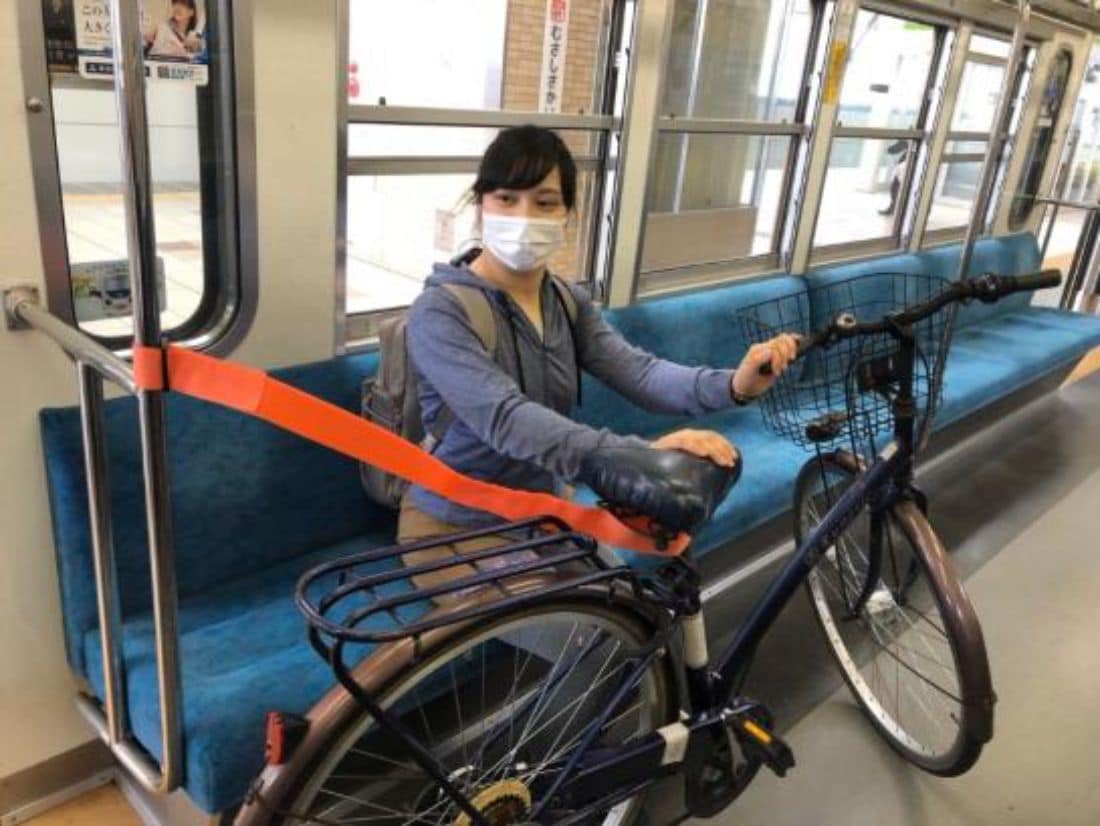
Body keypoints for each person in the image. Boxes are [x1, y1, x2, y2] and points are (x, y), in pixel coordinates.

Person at [399, 126, 798, 587]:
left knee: (633, 607)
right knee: (591, 629)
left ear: (568, 213)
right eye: (506, 199)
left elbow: (640, 373)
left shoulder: (567, 303)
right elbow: (506, 418)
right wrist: (634, 458)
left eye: (545, 202)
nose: (524, 216)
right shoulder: (441, 311)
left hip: (543, 516)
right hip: (456, 525)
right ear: (481, 206)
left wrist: (734, 384)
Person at [879, 139, 910, 217]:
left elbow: (893, 149)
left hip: (906, 168)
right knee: (896, 188)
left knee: (896, 188)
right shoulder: (908, 141)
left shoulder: (908, 140)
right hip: (904, 167)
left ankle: (894, 209)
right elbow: (893, 149)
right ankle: (894, 209)